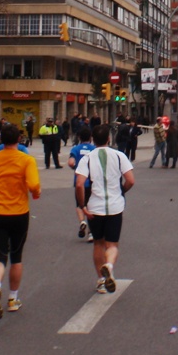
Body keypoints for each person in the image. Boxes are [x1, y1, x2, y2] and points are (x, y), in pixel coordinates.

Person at [0, 123, 41, 319]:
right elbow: (34, 184)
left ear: (2, 140)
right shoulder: (26, 160)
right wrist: (35, 193)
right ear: (19, 140)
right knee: (17, 257)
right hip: (19, 213)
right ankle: (12, 299)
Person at [75, 124, 136, 294]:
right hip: (115, 206)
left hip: (95, 207)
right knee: (112, 244)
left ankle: (101, 280)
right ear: (109, 139)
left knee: (98, 243)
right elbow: (131, 180)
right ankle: (109, 266)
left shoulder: (87, 158)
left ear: (93, 140)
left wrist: (82, 205)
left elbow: (79, 184)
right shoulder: (119, 156)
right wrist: (121, 191)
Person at [68, 126, 97, 241]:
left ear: (79, 137)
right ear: (90, 137)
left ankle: (82, 221)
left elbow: (70, 162)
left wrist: (76, 168)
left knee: (80, 204)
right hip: (91, 181)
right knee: (91, 206)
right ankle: (91, 232)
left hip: (79, 181)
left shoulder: (75, 149)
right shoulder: (94, 148)